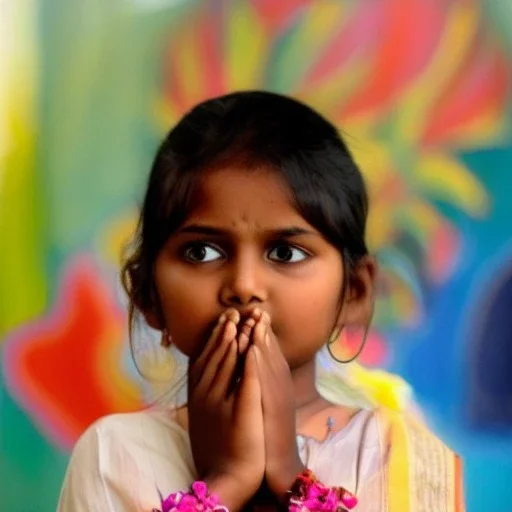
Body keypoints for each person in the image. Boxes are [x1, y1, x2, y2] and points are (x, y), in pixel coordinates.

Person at [57, 91, 464, 512]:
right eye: (202, 252)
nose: (245, 286)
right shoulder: (112, 455)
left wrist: (291, 478)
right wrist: (226, 484)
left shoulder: (408, 459)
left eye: (285, 253)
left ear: (354, 292)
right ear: (147, 293)